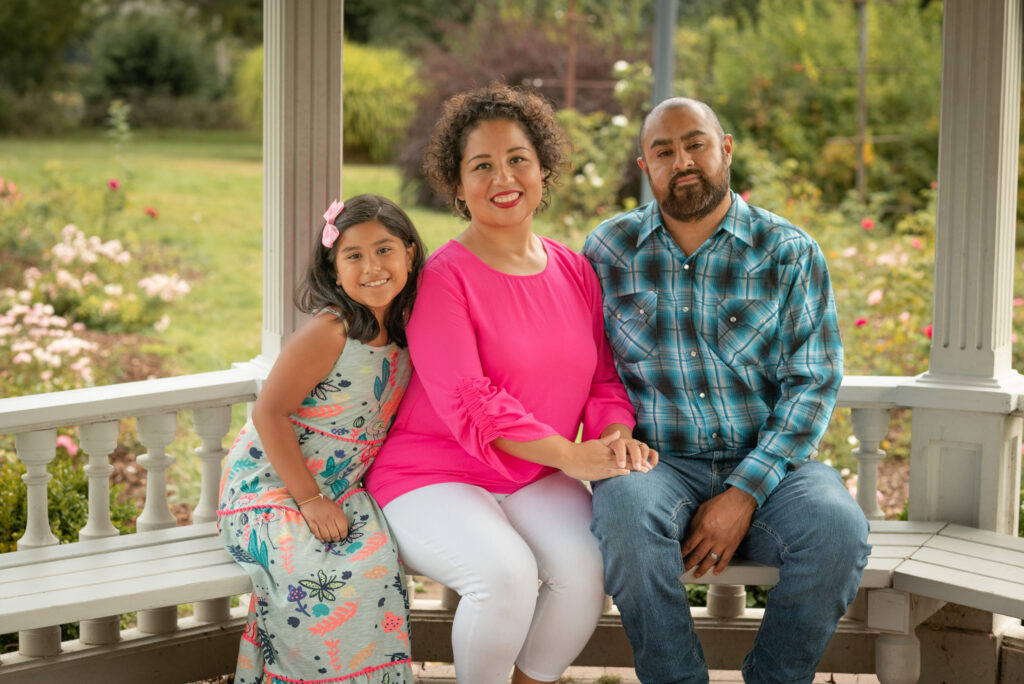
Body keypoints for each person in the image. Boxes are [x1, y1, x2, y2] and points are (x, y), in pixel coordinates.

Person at [364, 84, 657, 684]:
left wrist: (617, 435)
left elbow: (604, 377)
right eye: (482, 165)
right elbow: (471, 400)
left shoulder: (573, 269)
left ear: (543, 169)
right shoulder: (443, 278)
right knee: (504, 577)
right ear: (458, 184)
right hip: (432, 473)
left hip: (532, 472)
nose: (504, 177)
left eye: (518, 159)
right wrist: (574, 455)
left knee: (586, 570)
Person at [582, 97, 871, 684]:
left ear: (726, 149)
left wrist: (743, 492)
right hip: (658, 464)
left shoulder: (787, 251)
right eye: (663, 151)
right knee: (622, 512)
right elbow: (589, 368)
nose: (682, 159)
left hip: (774, 468)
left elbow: (813, 382)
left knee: (839, 530)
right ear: (645, 166)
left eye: (696, 143)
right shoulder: (608, 252)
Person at [217, 194, 425, 684]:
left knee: (375, 567)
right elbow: (269, 413)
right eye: (353, 256)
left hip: (341, 487)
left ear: (410, 253)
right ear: (333, 271)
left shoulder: (409, 327)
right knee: (314, 582)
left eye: (384, 250)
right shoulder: (330, 331)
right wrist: (308, 499)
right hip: (270, 486)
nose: (371, 267)